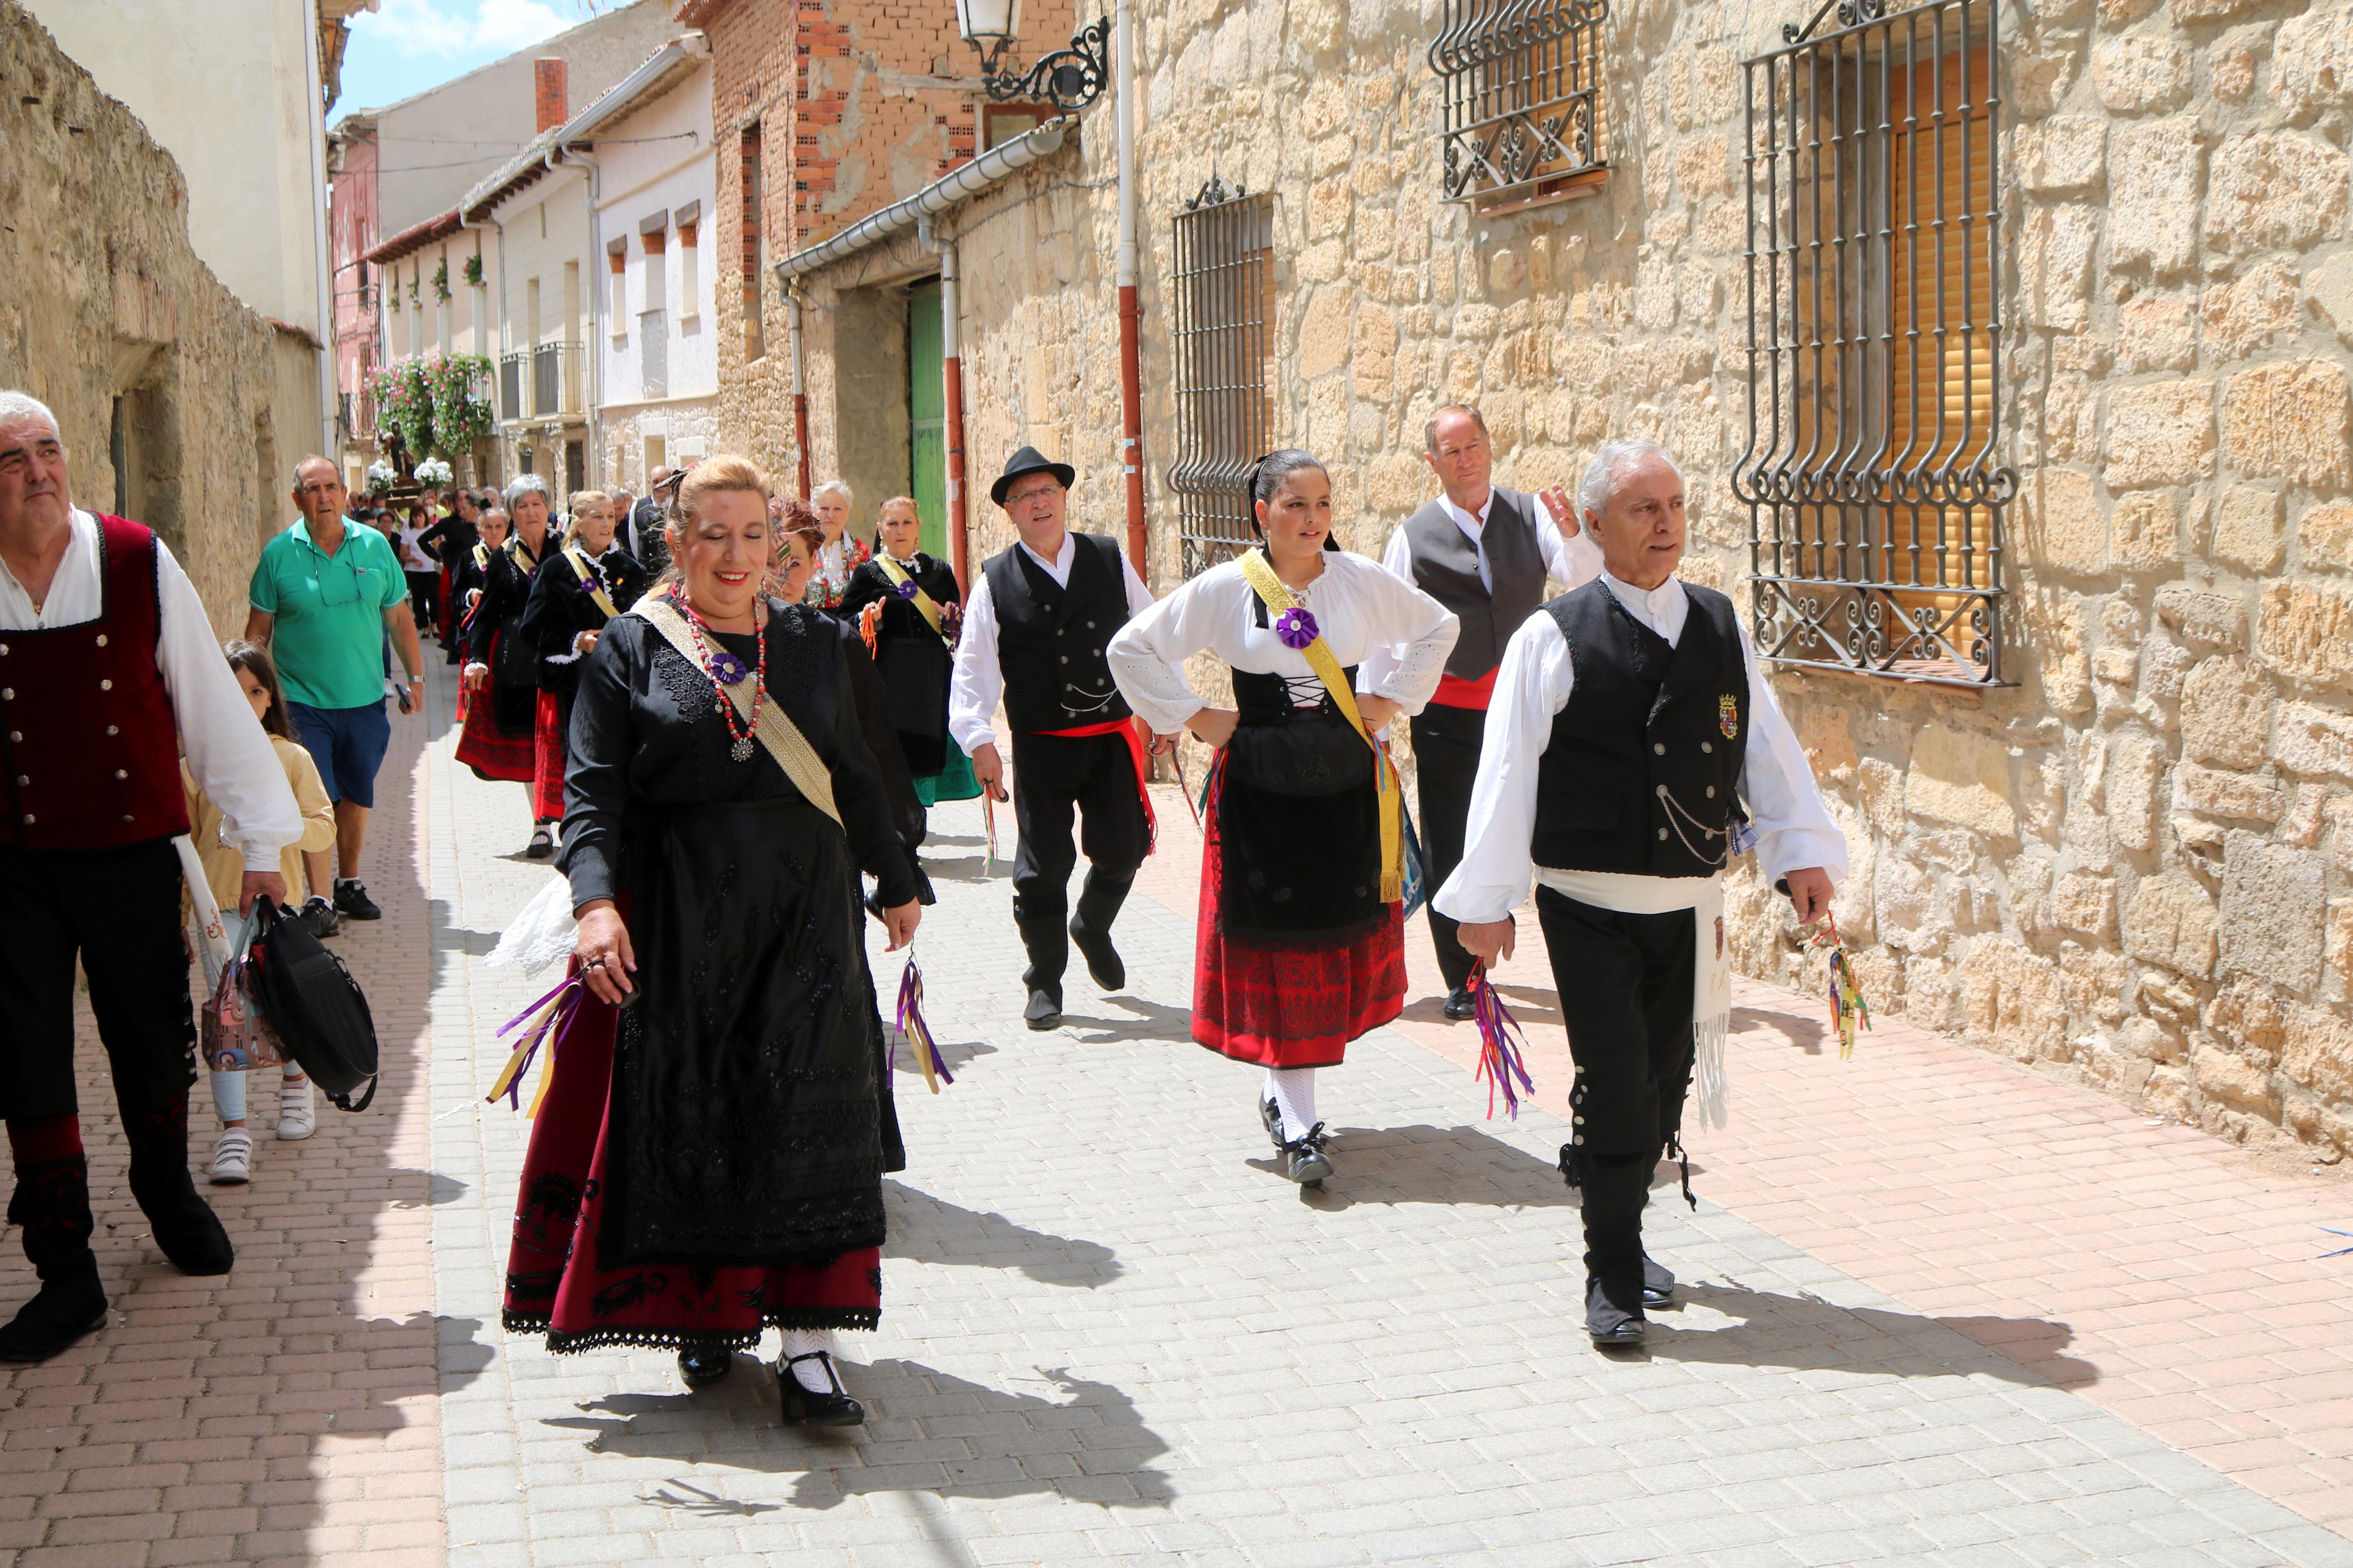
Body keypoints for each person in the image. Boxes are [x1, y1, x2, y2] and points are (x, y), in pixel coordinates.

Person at [502, 455, 921, 1425]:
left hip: (806, 920)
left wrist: (894, 880)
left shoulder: (817, 644)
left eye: (751, 536)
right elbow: (591, 793)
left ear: (776, 545)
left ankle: (810, 1347)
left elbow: (855, 774)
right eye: (712, 536)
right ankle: (709, 1308)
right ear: (678, 544)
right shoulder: (629, 650)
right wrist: (594, 904)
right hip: (681, 925)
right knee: (705, 1114)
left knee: (806, 1112)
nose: (734, 556)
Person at [1438, 440, 1847, 1347]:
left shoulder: (1717, 623)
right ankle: (1611, 1269)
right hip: (1587, 903)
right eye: (1641, 508)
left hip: (1689, 907)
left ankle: (1612, 1196)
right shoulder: (1552, 634)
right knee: (1618, 1083)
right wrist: (1487, 900)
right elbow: (1506, 776)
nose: (1665, 523)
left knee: (1665, 1083)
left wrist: (1798, 855)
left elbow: (1764, 749)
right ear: (1592, 526)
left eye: (1673, 504)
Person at [0, 389, 302, 1363]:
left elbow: (210, 704)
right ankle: (66, 1271)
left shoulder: (135, 559)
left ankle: (165, 1191)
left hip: (130, 851)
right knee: (26, 1059)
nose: (39, 472)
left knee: (148, 1035)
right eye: (12, 461)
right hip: (10, 864)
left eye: (48, 449)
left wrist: (262, 843)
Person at [1109, 451, 1457, 1184]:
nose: (1313, 520)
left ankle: (1283, 1097)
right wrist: (1195, 715)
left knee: (1322, 941)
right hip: (1260, 794)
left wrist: (1391, 697)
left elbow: (1438, 627)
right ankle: (1299, 1124)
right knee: (1274, 942)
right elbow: (1130, 647)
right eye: (1296, 505)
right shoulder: (1228, 589)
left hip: (1344, 790)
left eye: (1324, 504)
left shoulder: (1358, 579)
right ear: (1260, 514)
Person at [1372, 405, 1602, 1021]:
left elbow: (1583, 578)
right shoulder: (1412, 536)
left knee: (1547, 831)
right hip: (1448, 713)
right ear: (1432, 463)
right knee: (1453, 839)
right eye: (1452, 451)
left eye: (1474, 444)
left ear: (1489, 446)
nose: (1466, 459)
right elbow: (1387, 633)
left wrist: (1574, 535)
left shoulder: (1531, 515)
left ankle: (1578, 960)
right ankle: (1463, 977)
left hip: (1528, 708)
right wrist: (1380, 721)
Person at [948, 447, 1178, 1030]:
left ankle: (1092, 926)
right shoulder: (995, 580)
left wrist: (1167, 712)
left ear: (1063, 497)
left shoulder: (1106, 557)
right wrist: (978, 740)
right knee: (1043, 866)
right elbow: (973, 668)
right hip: (1041, 744)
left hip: (1108, 738)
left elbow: (1148, 635)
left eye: (1047, 490)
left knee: (1124, 849)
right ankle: (1044, 980)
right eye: (1024, 496)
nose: (1038, 502)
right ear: (1010, 512)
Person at [243, 458, 424, 925]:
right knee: (318, 796)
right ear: (296, 498)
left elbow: (400, 618)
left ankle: (349, 882)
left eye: (330, 487)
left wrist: (417, 678)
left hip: (365, 698)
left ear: (344, 492)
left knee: (357, 795)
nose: (322, 497)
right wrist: (252, 695)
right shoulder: (279, 555)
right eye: (311, 489)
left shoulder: (375, 547)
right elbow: (257, 634)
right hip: (302, 702)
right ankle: (319, 900)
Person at [184, 641, 336, 1184]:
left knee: (285, 1002)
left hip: (279, 909)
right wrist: (184, 913)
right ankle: (234, 1132)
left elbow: (322, 826)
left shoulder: (292, 759)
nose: (245, 700)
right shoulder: (197, 765)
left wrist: (274, 828)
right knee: (227, 1013)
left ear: (270, 698)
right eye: (233, 691)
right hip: (214, 912)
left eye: (255, 690)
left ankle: (298, 1089)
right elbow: (184, 843)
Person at [771, 504, 932, 903]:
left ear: (814, 564)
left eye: (794, 562)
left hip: (823, 838)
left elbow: (872, 749)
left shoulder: (836, 644)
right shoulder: (716, 644)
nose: (780, 576)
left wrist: (894, 864)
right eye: (772, 561)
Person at [519, 490, 648, 839]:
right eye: (597, 517)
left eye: (610, 517)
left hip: (621, 683)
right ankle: (570, 828)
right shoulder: (556, 569)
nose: (607, 524)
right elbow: (531, 629)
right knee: (575, 756)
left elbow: (648, 625)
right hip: (571, 683)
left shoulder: (631, 570)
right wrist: (577, 641)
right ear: (578, 523)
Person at [839, 496, 979, 813]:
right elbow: (843, 622)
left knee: (926, 746)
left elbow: (956, 628)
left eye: (906, 523)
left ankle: (916, 821)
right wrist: (869, 619)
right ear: (880, 529)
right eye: (892, 524)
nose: (899, 530)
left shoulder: (939, 571)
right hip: (889, 673)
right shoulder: (868, 573)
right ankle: (901, 827)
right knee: (893, 746)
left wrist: (949, 618)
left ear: (918, 527)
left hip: (931, 674)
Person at [460, 478, 553, 852]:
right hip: (518, 663)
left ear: (549, 508)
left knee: (569, 738)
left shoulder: (570, 550)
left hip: (569, 660)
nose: (530, 512)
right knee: (532, 743)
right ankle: (541, 825)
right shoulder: (503, 558)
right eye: (522, 506)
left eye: (537, 504)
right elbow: (485, 617)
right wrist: (479, 659)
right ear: (513, 514)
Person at [418, 487, 482, 661]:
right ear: (455, 504)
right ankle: (456, 646)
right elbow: (425, 540)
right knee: (454, 608)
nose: (462, 504)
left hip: (478, 574)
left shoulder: (479, 527)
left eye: (465, 500)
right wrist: (439, 557)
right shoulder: (450, 524)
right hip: (457, 572)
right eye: (460, 500)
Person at [807, 478, 871, 613]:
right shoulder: (802, 547)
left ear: (848, 513)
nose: (830, 515)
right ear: (814, 511)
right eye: (824, 508)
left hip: (847, 627)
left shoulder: (860, 551)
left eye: (838, 509)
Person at [395, 500, 439, 635]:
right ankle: (424, 627)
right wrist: (413, 559)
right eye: (415, 516)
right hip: (414, 571)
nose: (418, 519)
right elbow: (403, 554)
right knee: (419, 600)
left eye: (420, 516)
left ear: (425, 516)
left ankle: (434, 625)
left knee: (434, 598)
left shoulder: (432, 530)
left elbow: (439, 549)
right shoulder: (408, 533)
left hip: (432, 570)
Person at [622, 469, 672, 574]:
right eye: (655, 481)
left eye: (663, 481)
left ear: (670, 482)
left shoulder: (677, 507)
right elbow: (634, 540)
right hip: (646, 574)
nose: (659, 485)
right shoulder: (637, 507)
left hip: (671, 574)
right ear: (649, 482)